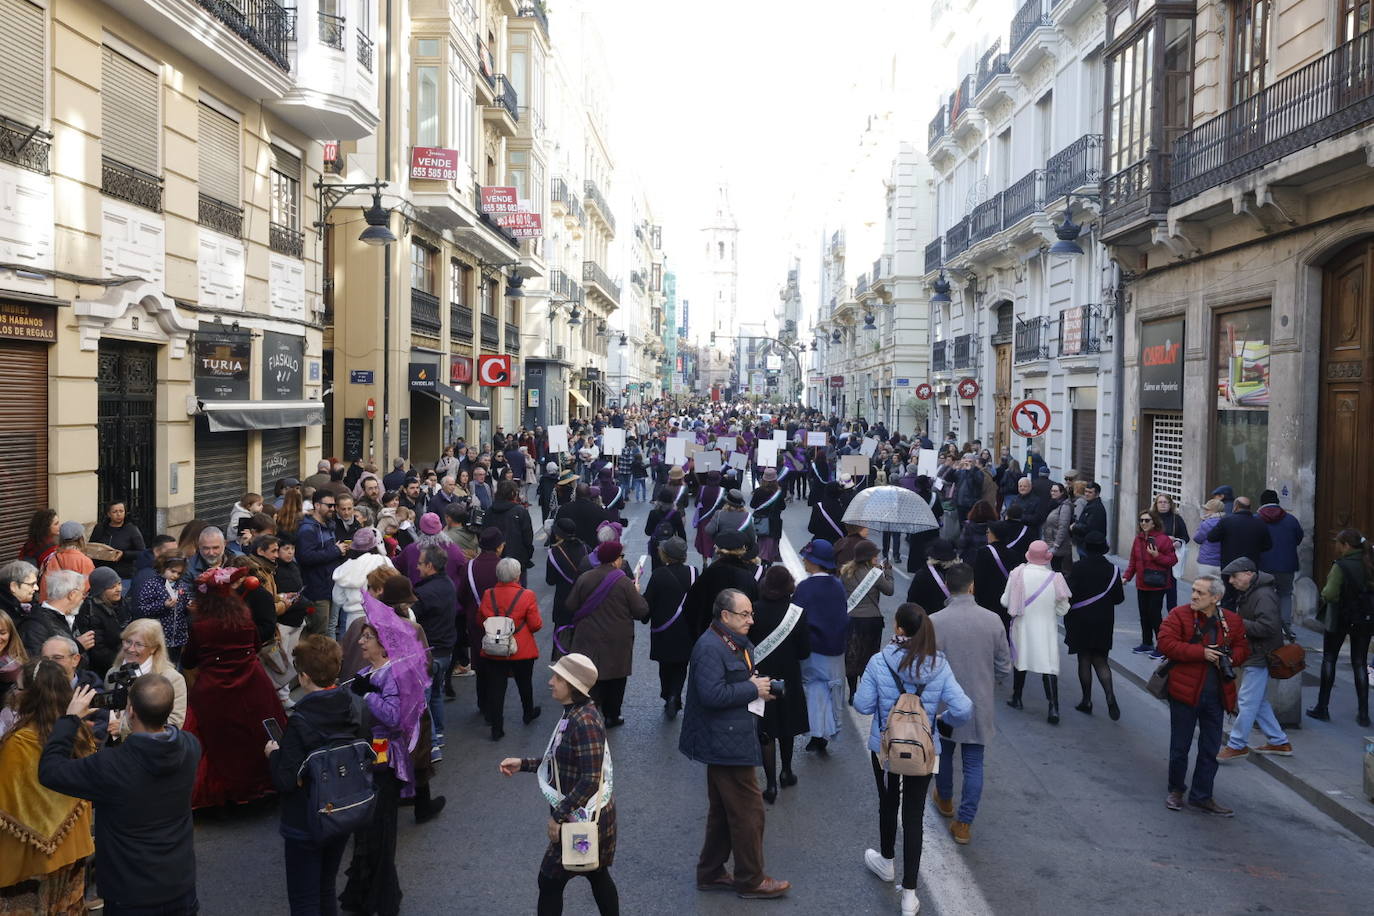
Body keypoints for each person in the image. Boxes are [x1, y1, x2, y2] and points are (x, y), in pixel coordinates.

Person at [40, 672, 200, 915]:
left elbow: (50, 771)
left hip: (130, 893)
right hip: (180, 883)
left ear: (131, 711)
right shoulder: (190, 746)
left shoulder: (112, 765)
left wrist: (70, 719)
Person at [853, 603, 972, 916]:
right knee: (914, 816)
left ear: (899, 629)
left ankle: (886, 861)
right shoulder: (940, 665)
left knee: (888, 803)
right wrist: (939, 722)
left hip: (886, 749)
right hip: (923, 751)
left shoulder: (879, 661)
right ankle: (909, 896)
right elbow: (963, 709)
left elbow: (863, 705)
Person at [678, 589, 790, 900]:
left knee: (723, 812)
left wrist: (756, 689)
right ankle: (751, 880)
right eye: (745, 615)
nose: (752, 620)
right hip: (724, 740)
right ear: (725, 616)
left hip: (731, 734)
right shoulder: (710, 648)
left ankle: (711, 872)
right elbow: (711, 695)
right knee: (749, 812)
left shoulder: (728, 641)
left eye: (751, 614)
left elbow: (733, 685)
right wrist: (752, 689)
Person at [498, 653, 619, 916]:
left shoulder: (583, 721)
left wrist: (559, 817)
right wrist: (525, 763)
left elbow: (590, 779)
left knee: (550, 880)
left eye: (557, 678)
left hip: (582, 819)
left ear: (572, 685)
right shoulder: (574, 712)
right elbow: (562, 760)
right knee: (596, 874)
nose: (550, 682)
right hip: (586, 818)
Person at [339, 594, 431, 915]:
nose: (361, 642)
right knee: (366, 831)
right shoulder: (374, 671)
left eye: (368, 637)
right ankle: (364, 894)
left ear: (383, 644)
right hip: (369, 758)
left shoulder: (394, 673)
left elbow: (395, 717)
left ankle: (383, 899)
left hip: (385, 760)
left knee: (379, 832)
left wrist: (369, 695)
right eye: (362, 636)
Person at [264, 635, 364, 916]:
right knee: (326, 886)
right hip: (344, 807)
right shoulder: (353, 704)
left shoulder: (301, 720)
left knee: (304, 898)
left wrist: (273, 754)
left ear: (304, 676)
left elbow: (285, 779)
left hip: (307, 817)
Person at [181, 567, 288, 808]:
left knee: (219, 741)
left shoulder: (200, 627)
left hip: (214, 691)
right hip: (253, 684)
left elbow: (189, 660)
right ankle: (265, 780)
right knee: (256, 733)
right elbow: (257, 644)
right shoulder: (245, 619)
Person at [0, 660, 96, 913]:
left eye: (18, 688)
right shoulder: (78, 733)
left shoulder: (20, 741)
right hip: (72, 844)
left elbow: (7, 801)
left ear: (30, 695)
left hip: (28, 855)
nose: (14, 693)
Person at [928, 562, 1010, 844]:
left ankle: (946, 799)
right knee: (974, 762)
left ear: (948, 587)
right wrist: (992, 681)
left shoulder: (935, 621)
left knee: (945, 753)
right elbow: (1003, 665)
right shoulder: (993, 620)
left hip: (945, 704)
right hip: (979, 701)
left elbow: (925, 667)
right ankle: (964, 823)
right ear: (972, 586)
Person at [1157, 574, 1249, 816]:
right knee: (1180, 746)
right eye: (1194, 591)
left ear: (1216, 598)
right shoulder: (1179, 614)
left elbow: (1242, 648)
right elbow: (1165, 643)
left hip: (1217, 695)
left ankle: (1202, 795)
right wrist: (1201, 653)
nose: (1194, 596)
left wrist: (1229, 659)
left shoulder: (1232, 621)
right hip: (1184, 692)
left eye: (1200, 593)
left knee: (1210, 749)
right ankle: (1176, 790)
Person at [561, 542, 650, 728]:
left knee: (590, 678)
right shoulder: (624, 582)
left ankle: (588, 714)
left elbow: (570, 605)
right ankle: (612, 715)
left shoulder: (585, 578)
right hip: (617, 640)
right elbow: (641, 610)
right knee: (616, 680)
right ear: (616, 559)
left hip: (588, 637)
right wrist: (637, 593)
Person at [1214, 558, 1292, 762]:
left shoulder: (1263, 595)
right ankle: (1279, 741)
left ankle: (1237, 744)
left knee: (1247, 700)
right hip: (1256, 653)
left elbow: (1268, 627)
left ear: (1248, 574)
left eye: (1234, 576)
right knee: (1258, 701)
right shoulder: (1253, 592)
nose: (1231, 581)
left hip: (1260, 655)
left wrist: (1236, 623)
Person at [748, 565, 811, 804]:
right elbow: (804, 651)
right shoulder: (797, 613)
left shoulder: (753, 610)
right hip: (789, 676)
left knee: (766, 730)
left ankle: (771, 784)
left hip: (761, 677)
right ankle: (787, 771)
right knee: (786, 725)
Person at [1307, 528, 1373, 726]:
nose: (1336, 546)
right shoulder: (1369, 562)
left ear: (1345, 545)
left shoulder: (1341, 566)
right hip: (1364, 618)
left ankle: (1322, 707)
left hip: (1340, 618)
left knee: (1329, 659)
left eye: (1338, 543)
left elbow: (1330, 594)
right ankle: (1363, 714)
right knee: (1360, 662)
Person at [1001, 541, 1070, 723]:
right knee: (1048, 666)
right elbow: (1063, 609)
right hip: (1046, 629)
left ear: (1028, 555)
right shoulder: (1055, 578)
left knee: (1020, 661)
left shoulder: (1017, 574)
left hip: (1023, 626)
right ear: (1047, 557)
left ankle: (1017, 697)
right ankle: (1053, 707)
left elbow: (1005, 601)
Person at [478, 557, 544, 741]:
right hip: (521, 648)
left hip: (494, 648)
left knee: (496, 687)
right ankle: (528, 712)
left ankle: (496, 728)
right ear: (517, 575)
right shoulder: (527, 595)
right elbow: (535, 624)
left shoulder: (488, 594)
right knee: (524, 682)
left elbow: (480, 620)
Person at [1064, 531, 1126, 718]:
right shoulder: (1113, 570)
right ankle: (1109, 695)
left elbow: (1070, 594)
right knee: (1100, 659)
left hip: (1081, 618)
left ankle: (1086, 700)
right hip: (1104, 619)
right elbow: (1119, 598)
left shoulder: (1078, 567)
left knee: (1084, 658)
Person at [795, 539, 848, 754]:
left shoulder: (805, 587)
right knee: (831, 690)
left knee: (814, 689)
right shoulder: (837, 585)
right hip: (836, 647)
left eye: (807, 558)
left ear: (814, 562)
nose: (805, 561)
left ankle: (815, 732)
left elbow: (796, 617)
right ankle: (827, 731)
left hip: (812, 647)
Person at [642, 537, 696, 718]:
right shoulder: (694, 573)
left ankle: (667, 695)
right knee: (681, 665)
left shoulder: (658, 574)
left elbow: (648, 602)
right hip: (686, 628)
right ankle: (675, 695)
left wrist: (643, 616)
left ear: (665, 555)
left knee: (665, 665)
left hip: (663, 628)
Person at [412, 544, 458, 753]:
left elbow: (412, 620)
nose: (417, 567)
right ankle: (439, 733)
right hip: (446, 651)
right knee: (437, 694)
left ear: (430, 565)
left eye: (420, 563)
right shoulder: (448, 584)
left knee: (423, 700)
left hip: (427, 653)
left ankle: (432, 745)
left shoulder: (422, 593)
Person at [106, 618, 187, 735]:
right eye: (128, 641)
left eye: (138, 644)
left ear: (154, 648)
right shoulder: (112, 673)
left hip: (150, 749)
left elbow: (174, 725)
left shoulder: (172, 679)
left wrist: (125, 728)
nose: (131, 649)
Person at [683, 530, 761, 639]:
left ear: (718, 550)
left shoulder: (709, 573)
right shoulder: (747, 576)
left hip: (711, 635)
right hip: (738, 637)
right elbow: (755, 609)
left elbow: (690, 607)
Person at [841, 540, 894, 698]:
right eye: (875, 556)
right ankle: (865, 693)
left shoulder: (845, 572)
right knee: (868, 657)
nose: (877, 558)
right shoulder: (875, 575)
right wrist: (888, 572)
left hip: (851, 619)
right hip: (872, 621)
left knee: (851, 656)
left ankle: (852, 692)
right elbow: (890, 590)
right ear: (868, 558)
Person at [1123, 508, 1177, 659]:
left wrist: (1157, 556)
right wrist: (1126, 577)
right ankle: (1146, 643)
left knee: (1155, 615)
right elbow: (1133, 561)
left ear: (1154, 523)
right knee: (1143, 614)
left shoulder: (1163, 539)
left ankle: (1162, 646)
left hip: (1157, 584)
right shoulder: (1138, 539)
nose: (1143, 523)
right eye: (1141, 520)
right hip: (1142, 583)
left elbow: (1172, 560)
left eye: (1147, 520)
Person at [1256, 489, 1303, 641]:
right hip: (1286, 565)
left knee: (1263, 594)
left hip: (1263, 565)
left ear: (1261, 502)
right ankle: (1286, 627)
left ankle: (1265, 625)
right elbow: (1298, 538)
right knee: (1285, 594)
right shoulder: (1291, 519)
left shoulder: (1257, 519)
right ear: (1277, 501)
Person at [19, 568, 94, 660]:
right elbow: (37, 663)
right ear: (72, 595)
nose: (83, 598)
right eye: (83, 593)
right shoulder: (35, 625)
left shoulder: (70, 616)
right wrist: (77, 647)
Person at [331, 527, 393, 636]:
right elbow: (394, 587)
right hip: (380, 615)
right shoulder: (383, 561)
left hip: (353, 619)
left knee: (354, 650)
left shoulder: (344, 569)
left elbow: (338, 599)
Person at [135, 553, 191, 664]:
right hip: (158, 637)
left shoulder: (182, 586)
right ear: (163, 567)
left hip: (178, 637)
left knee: (174, 665)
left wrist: (188, 605)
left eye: (179, 573)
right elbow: (143, 609)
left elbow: (183, 607)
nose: (175, 575)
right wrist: (163, 605)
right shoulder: (152, 585)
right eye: (172, 571)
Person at [1206, 496, 1272, 577]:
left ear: (1236, 506)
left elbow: (1211, 537)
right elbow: (1268, 546)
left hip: (1229, 567)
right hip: (1250, 568)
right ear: (1249, 508)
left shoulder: (1226, 521)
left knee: (1230, 588)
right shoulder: (1260, 523)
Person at [82, 567, 129, 678]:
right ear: (100, 591)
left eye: (119, 584)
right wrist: (122, 662)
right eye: (112, 587)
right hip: (105, 670)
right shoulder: (91, 613)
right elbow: (98, 651)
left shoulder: (122, 603)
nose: (119, 589)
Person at [487, 480, 536, 580]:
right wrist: (527, 555)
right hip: (517, 558)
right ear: (513, 493)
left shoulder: (489, 511)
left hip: (495, 558)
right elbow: (528, 537)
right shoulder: (520, 511)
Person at [89, 501, 146, 585]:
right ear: (108, 514)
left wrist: (124, 554)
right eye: (115, 512)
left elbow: (141, 552)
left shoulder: (131, 529)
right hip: (102, 572)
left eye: (121, 511)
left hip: (123, 574)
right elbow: (91, 547)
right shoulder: (100, 528)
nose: (118, 514)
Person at [1041, 483, 1075, 574]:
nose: (1052, 493)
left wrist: (1056, 544)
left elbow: (1063, 527)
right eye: (1051, 490)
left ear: (1062, 492)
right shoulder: (1054, 503)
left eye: (1055, 491)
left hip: (1059, 545)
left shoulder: (1065, 506)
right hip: (1051, 542)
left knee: (1058, 570)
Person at [1069, 481, 1107, 555]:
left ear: (1097, 494)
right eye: (1086, 491)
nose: (1086, 494)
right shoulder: (1091, 504)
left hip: (1089, 545)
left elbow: (1089, 527)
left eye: (1090, 492)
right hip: (1085, 543)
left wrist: (1074, 527)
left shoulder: (1096, 508)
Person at [1192, 498, 1226, 580]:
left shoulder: (1207, 523)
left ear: (1212, 511)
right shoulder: (1226, 521)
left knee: (1204, 586)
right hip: (1221, 562)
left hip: (1206, 561)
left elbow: (1197, 539)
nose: (1205, 511)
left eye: (1207, 509)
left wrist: (1202, 523)